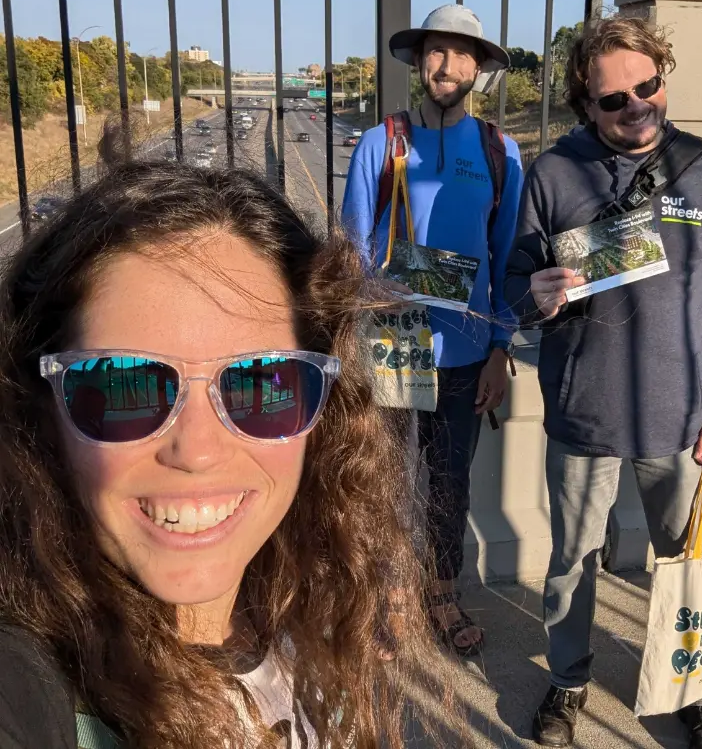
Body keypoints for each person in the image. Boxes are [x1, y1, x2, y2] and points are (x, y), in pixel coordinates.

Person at [0, 156, 461, 748]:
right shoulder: (29, 687)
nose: (196, 450)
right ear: (42, 408)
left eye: (261, 384)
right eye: (121, 386)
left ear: (321, 408)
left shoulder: (304, 595)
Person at [504, 14, 702, 749]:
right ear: (585, 103)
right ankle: (570, 677)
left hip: (683, 418)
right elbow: (515, 286)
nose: (637, 106)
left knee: (685, 565)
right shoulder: (552, 173)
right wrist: (536, 294)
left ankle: (693, 686)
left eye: (649, 87)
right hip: (584, 413)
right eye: (614, 100)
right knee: (573, 561)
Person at [341, 4, 523, 657]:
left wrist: (502, 349)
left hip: (468, 349)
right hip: (396, 340)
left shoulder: (501, 153)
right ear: (420, 62)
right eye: (436, 52)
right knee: (387, 481)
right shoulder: (380, 142)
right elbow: (352, 249)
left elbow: (508, 261)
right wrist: (373, 289)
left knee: (449, 483)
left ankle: (441, 594)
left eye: (461, 54)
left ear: (479, 67)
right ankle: (389, 599)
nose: (447, 66)